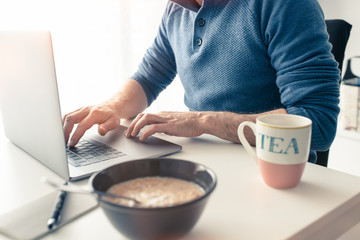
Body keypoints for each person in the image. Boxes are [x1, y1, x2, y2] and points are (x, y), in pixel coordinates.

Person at [63, 0, 340, 163]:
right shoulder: (176, 9)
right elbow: (147, 78)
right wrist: (112, 107)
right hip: (205, 161)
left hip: (267, 171)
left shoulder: (284, 5)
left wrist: (203, 121)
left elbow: (318, 123)